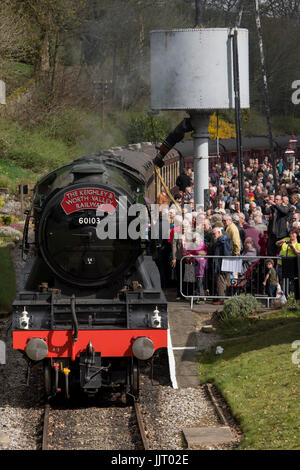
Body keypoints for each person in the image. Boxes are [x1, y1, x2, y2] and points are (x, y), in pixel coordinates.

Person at [211, 226, 232, 305]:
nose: (213, 235)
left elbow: (226, 253)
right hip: (221, 263)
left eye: (214, 233)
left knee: (221, 281)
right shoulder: (221, 240)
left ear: (219, 232)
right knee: (222, 281)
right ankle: (222, 298)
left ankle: (221, 299)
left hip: (222, 264)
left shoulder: (223, 241)